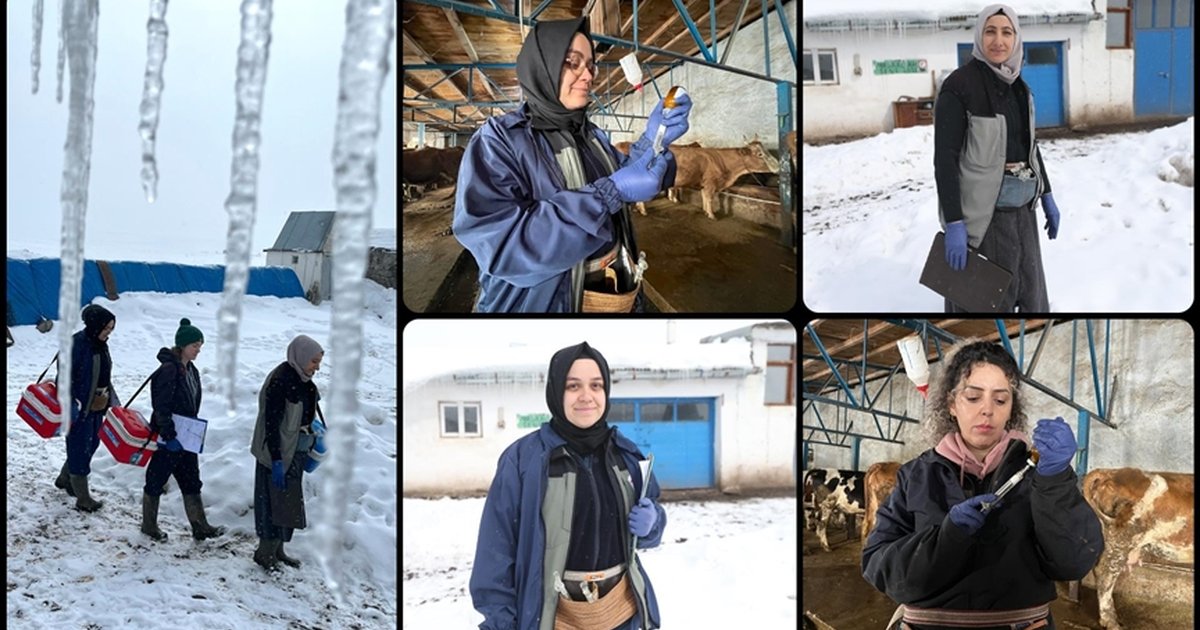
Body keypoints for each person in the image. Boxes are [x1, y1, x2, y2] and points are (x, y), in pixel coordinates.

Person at [454, 17, 693, 313]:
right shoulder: (499, 140)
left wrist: (653, 139)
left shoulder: (590, 136)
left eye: (590, 65)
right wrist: (608, 194)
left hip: (610, 296)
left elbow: (627, 175)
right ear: (542, 67)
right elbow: (503, 247)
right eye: (571, 63)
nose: (588, 75)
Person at [862, 340, 1103, 629]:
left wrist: (1055, 481)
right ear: (951, 405)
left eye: (1000, 400)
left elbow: (1074, 562)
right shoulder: (916, 475)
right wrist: (947, 538)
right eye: (973, 397)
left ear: (1011, 408)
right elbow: (878, 566)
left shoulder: (1038, 473)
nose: (987, 410)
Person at [470, 342, 666, 629]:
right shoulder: (524, 460)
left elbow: (651, 514)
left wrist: (653, 523)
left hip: (622, 612)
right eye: (573, 386)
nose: (587, 396)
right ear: (555, 391)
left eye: (596, 385)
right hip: (552, 615)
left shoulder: (625, 455)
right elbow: (495, 552)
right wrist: (501, 623)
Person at [934, 4, 1060, 313]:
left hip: (1023, 219)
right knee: (981, 306)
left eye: (1007, 32)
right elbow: (944, 160)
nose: (998, 41)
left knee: (1031, 298)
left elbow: (1030, 147)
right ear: (979, 35)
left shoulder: (1020, 88)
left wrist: (1046, 195)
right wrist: (954, 222)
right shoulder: (959, 87)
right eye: (990, 31)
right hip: (984, 220)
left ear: (1016, 38)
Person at [140, 318, 225, 542]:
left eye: (200, 346)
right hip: (169, 437)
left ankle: (200, 525)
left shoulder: (191, 370)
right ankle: (149, 526)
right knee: (156, 479)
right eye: (195, 345)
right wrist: (169, 435)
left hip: (187, 436)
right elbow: (161, 406)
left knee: (191, 480)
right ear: (183, 346)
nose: (198, 350)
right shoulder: (168, 371)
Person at [249, 334, 325, 570]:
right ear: (300, 357)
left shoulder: (304, 382)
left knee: (287, 504)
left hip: (296, 452)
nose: (317, 367)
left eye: (319, 361)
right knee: (271, 504)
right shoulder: (280, 382)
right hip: (277, 454)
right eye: (313, 361)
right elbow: (270, 424)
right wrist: (277, 460)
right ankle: (265, 553)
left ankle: (279, 550)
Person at [53, 304, 119, 512]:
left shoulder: (100, 344)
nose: (109, 333)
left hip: (97, 405)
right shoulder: (77, 345)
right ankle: (83, 498)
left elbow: (103, 374)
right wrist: (72, 402)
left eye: (111, 328)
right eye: (107, 328)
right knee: (79, 447)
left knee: (92, 443)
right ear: (94, 325)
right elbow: (63, 377)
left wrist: (112, 398)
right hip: (79, 407)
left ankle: (65, 478)